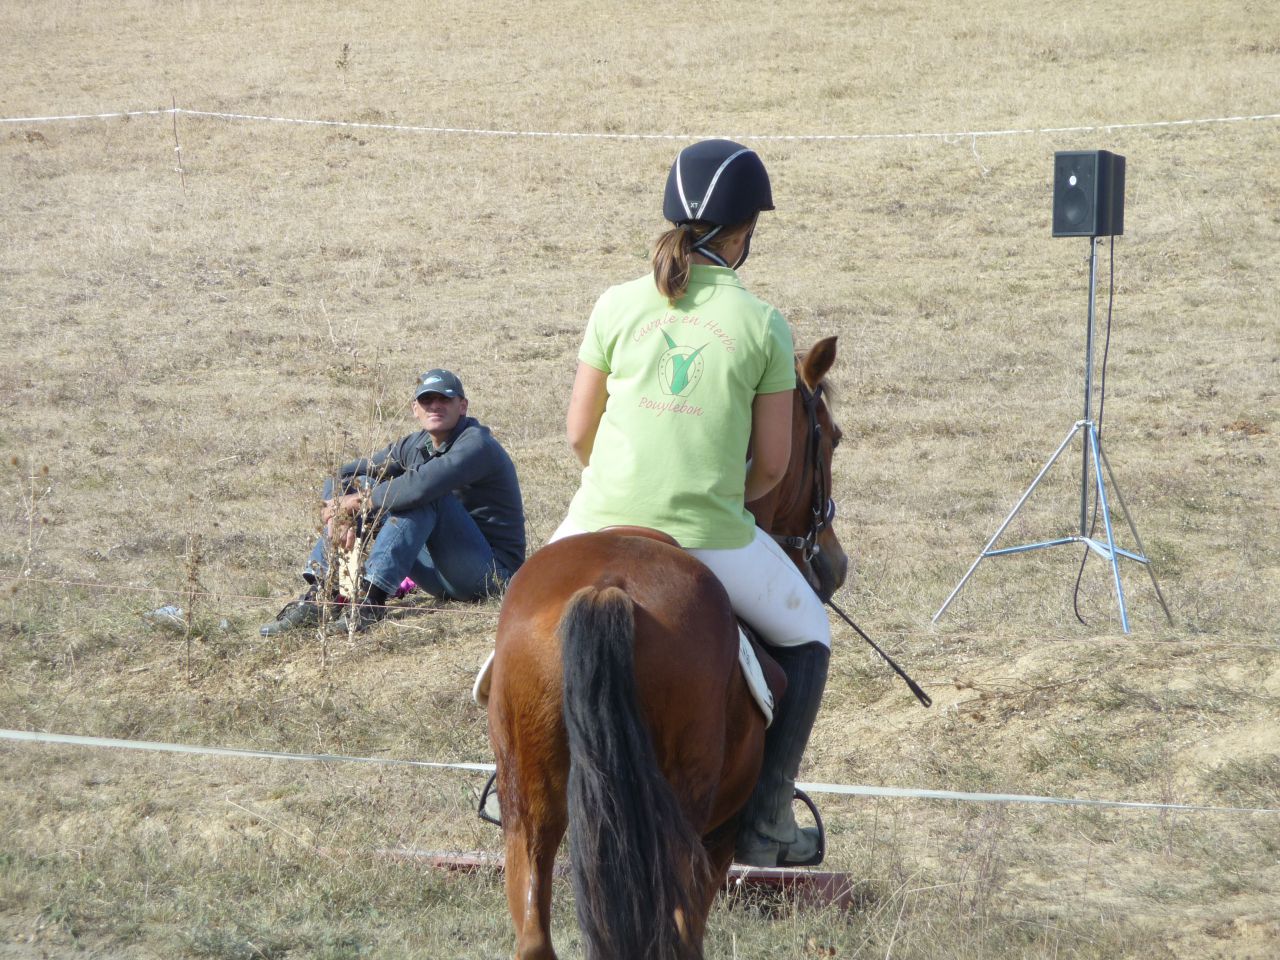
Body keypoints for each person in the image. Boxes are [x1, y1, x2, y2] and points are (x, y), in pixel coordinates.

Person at [547, 139, 833, 867]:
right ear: (743, 235)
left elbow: (578, 432)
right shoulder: (762, 323)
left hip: (597, 517)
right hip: (706, 531)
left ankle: (510, 780)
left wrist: (620, 486)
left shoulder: (615, 304)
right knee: (810, 634)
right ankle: (768, 819)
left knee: (522, 619)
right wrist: (719, 494)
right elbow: (774, 465)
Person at [261, 369, 526, 635]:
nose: (435, 405)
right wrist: (340, 514)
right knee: (365, 484)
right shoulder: (415, 445)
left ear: (463, 406)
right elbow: (343, 474)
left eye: (445, 399)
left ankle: (371, 602)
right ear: (415, 409)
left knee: (420, 496)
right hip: (439, 575)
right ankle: (322, 594)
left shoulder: (477, 444)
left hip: (489, 575)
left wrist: (357, 502)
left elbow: (421, 487)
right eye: (427, 400)